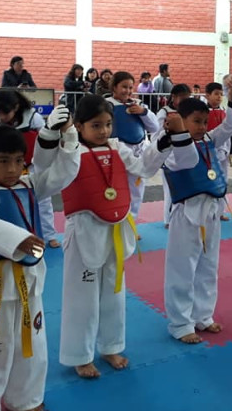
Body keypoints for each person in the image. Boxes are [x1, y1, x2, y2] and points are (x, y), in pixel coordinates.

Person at [59, 94, 192, 378]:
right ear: (79, 126)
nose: (104, 131)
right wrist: (57, 136)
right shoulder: (70, 152)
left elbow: (144, 167)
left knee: (115, 292)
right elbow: (50, 175)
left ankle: (111, 346)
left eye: (108, 124)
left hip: (115, 229)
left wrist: (165, 140)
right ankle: (80, 355)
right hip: (83, 229)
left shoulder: (118, 148)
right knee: (82, 296)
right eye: (96, 125)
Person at [0, 110, 80, 411]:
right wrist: (17, 239)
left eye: (18, 161)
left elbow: (64, 173)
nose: (12, 169)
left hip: (28, 279)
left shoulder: (29, 185)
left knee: (32, 342)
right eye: (3, 161)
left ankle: (26, 399)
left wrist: (69, 135)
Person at [162, 76, 232, 343]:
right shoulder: (171, 147)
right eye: (196, 121)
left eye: (204, 122)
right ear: (181, 120)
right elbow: (181, 163)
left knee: (208, 267)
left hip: (211, 211)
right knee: (182, 269)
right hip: (187, 213)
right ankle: (180, 323)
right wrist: (177, 134)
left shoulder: (209, 139)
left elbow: (231, 125)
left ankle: (203, 316)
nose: (202, 127)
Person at [0, 90, 61, 249]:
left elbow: (47, 138)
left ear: (16, 107)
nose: (2, 116)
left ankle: (49, 235)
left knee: (43, 201)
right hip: (8, 167)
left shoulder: (33, 118)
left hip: (33, 164)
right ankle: (10, 236)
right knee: (6, 200)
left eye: (6, 112)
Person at [106, 71, 160, 221]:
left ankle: (131, 223)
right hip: (116, 150)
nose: (128, 91)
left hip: (138, 151)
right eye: (124, 87)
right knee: (116, 188)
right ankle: (116, 221)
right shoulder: (106, 105)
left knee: (136, 191)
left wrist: (143, 113)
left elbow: (154, 127)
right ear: (114, 87)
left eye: (131, 87)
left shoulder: (139, 104)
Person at [156, 84, 192, 228]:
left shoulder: (188, 112)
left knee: (185, 189)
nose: (185, 101)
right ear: (174, 97)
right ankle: (168, 220)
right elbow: (156, 135)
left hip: (184, 153)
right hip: (168, 155)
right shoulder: (164, 112)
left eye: (187, 98)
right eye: (183, 98)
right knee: (170, 190)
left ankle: (183, 216)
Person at [205, 82, 230, 219]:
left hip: (223, 150)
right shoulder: (203, 112)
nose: (219, 97)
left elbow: (228, 134)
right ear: (207, 95)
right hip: (209, 150)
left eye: (221, 94)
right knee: (210, 180)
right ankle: (209, 211)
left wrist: (228, 150)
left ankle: (221, 211)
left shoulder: (224, 111)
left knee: (223, 180)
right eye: (216, 94)